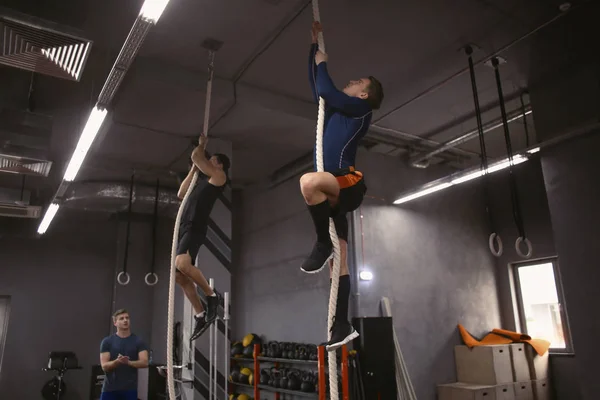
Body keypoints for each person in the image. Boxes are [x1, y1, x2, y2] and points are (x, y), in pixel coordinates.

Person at [301, 21, 384, 351]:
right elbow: (317, 87)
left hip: (346, 185)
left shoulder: (361, 109)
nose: (352, 81)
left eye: (358, 81)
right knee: (341, 262)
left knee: (309, 182)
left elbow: (326, 89)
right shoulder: (337, 107)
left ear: (364, 94)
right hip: (332, 192)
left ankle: (322, 242)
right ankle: (342, 324)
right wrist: (313, 51)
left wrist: (323, 61)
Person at [175, 136, 230, 341]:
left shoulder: (219, 177)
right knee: (179, 275)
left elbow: (196, 155)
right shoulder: (201, 182)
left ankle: (212, 296)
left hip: (196, 227)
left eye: (212, 159)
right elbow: (181, 193)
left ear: (220, 164)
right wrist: (194, 169)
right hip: (185, 226)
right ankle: (200, 314)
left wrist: (202, 146)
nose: (208, 162)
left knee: (182, 263)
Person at [99, 309, 149, 400]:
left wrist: (128, 362)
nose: (125, 320)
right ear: (115, 323)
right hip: (110, 389)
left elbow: (145, 362)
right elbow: (104, 366)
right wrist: (117, 362)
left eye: (127, 318)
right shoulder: (107, 342)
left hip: (130, 389)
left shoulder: (138, 341)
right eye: (121, 318)